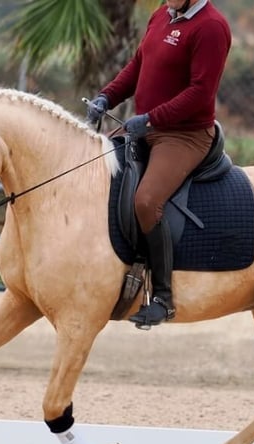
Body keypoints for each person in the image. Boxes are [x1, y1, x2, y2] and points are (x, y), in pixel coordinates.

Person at [87, 0, 231, 329]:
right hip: (148, 127)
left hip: (184, 136)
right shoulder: (162, 15)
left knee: (146, 201)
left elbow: (201, 93)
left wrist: (152, 119)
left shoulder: (211, 27)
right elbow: (139, 64)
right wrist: (106, 97)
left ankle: (163, 298)